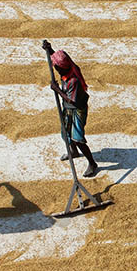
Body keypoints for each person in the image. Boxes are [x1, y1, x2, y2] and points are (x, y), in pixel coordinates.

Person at [48, 47, 99, 178]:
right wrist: (50, 49)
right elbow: (62, 58)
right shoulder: (70, 67)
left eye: (56, 67)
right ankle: (73, 152)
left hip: (77, 111)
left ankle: (92, 163)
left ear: (61, 68)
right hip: (68, 109)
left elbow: (73, 102)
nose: (54, 68)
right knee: (65, 132)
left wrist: (57, 89)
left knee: (77, 138)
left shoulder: (73, 81)